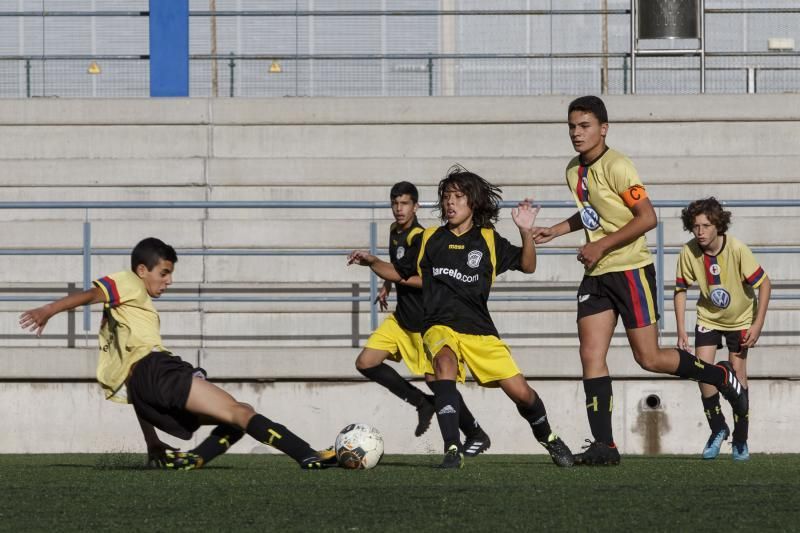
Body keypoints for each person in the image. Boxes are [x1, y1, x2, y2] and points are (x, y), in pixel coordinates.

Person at [532, 95, 748, 466]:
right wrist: (556, 229)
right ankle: (605, 447)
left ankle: (720, 375)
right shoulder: (572, 170)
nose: (576, 133)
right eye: (571, 126)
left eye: (584, 126)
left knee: (648, 357)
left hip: (630, 269)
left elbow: (646, 217)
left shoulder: (618, 165)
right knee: (590, 355)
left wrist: (600, 246)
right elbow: (593, 213)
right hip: (596, 275)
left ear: (603, 128)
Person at [19, 237, 335, 470]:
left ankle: (195, 460)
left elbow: (135, 384)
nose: (169, 281)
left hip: (146, 387)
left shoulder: (126, 318)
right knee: (241, 413)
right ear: (142, 270)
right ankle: (308, 455)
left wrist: (152, 443)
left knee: (239, 414)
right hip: (160, 370)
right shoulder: (128, 282)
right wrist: (49, 309)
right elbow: (91, 293)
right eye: (164, 273)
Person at [398, 166, 574, 469]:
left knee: (522, 394)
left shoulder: (490, 241)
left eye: (458, 196)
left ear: (473, 202)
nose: (450, 203)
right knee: (443, 363)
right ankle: (452, 448)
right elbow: (405, 275)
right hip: (439, 324)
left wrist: (524, 231)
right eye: (446, 197)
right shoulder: (429, 238)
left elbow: (528, 265)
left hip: (479, 330)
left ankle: (550, 438)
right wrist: (374, 263)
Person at [347, 181, 491, 457]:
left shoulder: (420, 237)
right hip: (401, 319)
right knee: (365, 362)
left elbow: (428, 278)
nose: (398, 209)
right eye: (394, 203)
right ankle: (421, 403)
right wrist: (388, 285)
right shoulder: (394, 231)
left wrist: (386, 272)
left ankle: (474, 432)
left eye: (404, 204)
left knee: (437, 380)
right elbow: (400, 268)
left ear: (416, 206)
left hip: (424, 321)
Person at [674, 197, 770, 461]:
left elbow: (765, 284)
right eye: (695, 226)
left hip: (740, 320)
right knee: (703, 374)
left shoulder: (737, 249)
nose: (700, 231)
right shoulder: (689, 251)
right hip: (708, 318)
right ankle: (718, 428)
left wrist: (757, 324)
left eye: (706, 225)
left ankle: (740, 439)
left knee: (737, 375)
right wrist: (681, 329)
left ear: (718, 226)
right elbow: (680, 290)